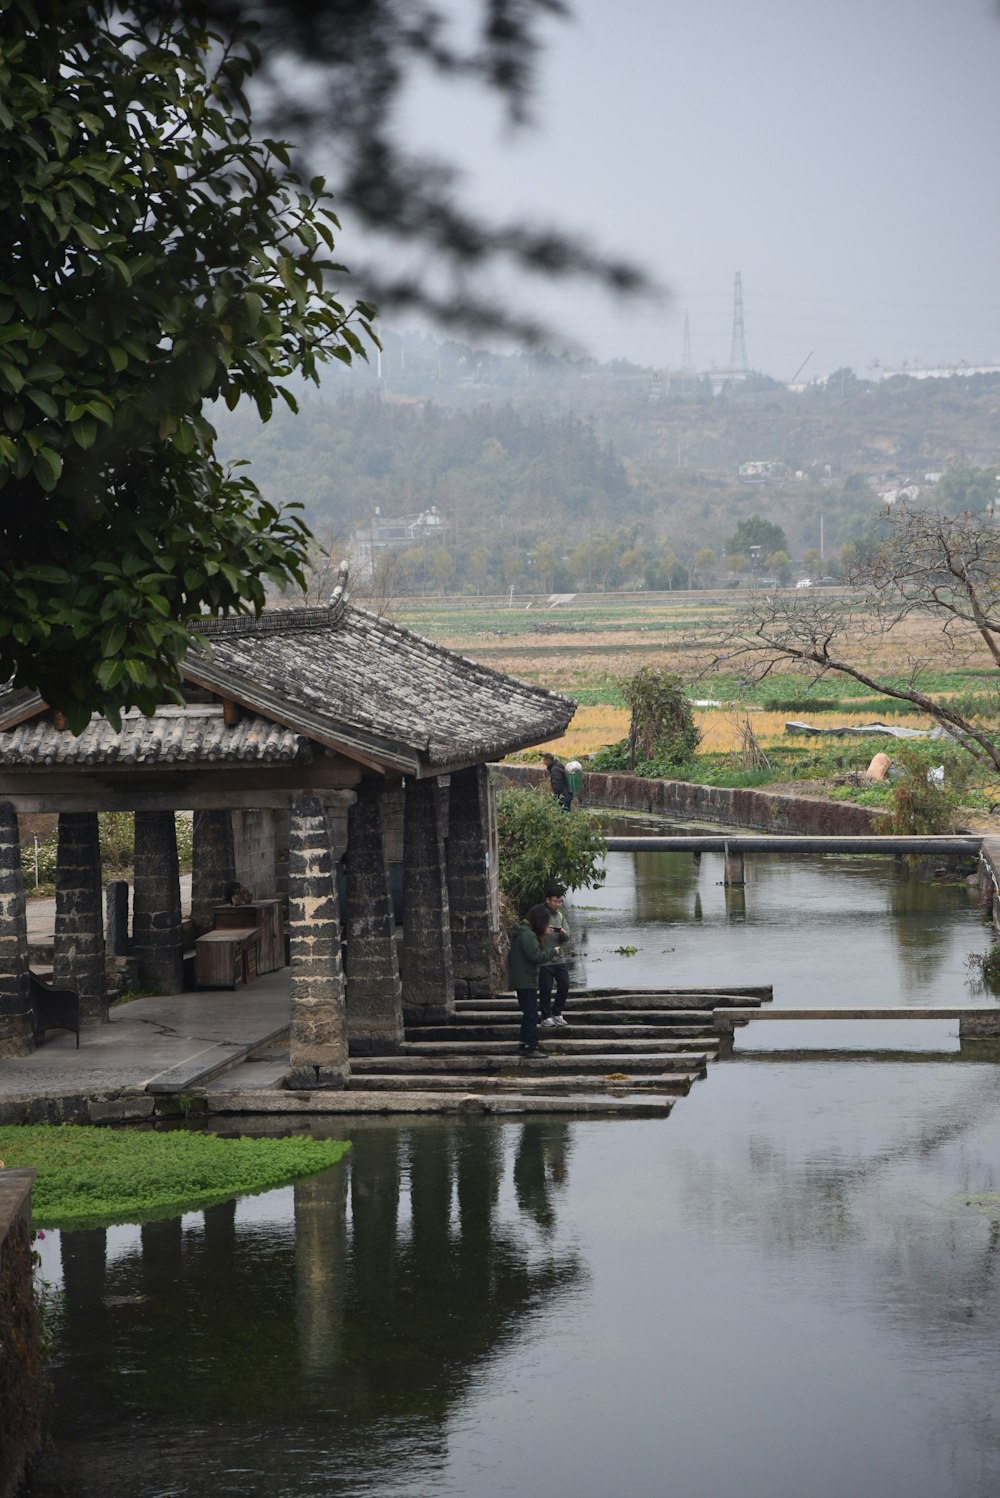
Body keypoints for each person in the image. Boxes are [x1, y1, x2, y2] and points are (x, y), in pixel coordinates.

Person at [507, 903, 552, 1059]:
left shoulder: (523, 932)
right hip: (526, 979)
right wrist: (553, 951)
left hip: (522, 978)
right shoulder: (528, 935)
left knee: (528, 1012)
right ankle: (530, 1046)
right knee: (531, 1014)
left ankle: (524, 1043)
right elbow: (535, 957)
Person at [539, 885, 571, 1028]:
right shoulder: (539, 914)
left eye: (560, 902)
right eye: (555, 901)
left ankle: (557, 1013)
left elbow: (568, 937)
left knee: (564, 985)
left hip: (559, 957)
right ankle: (546, 1016)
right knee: (546, 988)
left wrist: (563, 932)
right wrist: (542, 931)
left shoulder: (560, 915)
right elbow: (528, 932)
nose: (558, 904)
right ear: (547, 900)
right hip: (544, 957)